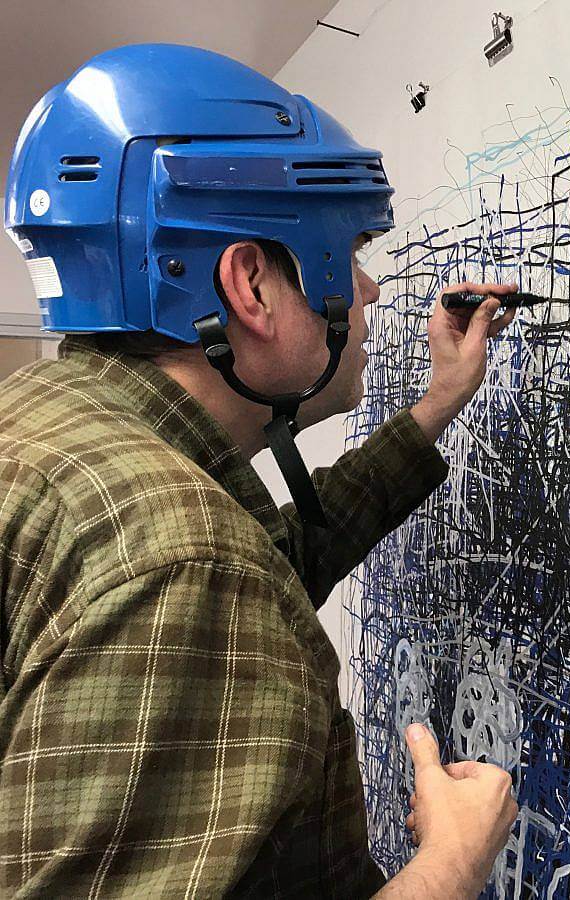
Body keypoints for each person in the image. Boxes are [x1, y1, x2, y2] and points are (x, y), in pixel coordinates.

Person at [0, 44, 518, 897]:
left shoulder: (53, 427)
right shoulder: (183, 566)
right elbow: (213, 576)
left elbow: (264, 565)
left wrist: (437, 404)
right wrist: (453, 864)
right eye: (350, 252)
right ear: (250, 284)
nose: (370, 290)